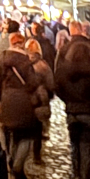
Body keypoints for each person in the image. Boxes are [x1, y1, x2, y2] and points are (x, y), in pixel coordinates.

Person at [54, 21, 90, 179]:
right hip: (89, 110)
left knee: (75, 144)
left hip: (72, 110)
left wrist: (68, 101)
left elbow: (57, 84)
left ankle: (75, 173)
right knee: (87, 147)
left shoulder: (63, 56)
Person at [0, 32, 41, 179]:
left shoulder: (2, 59)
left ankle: (11, 158)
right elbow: (33, 83)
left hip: (7, 100)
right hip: (23, 101)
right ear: (21, 43)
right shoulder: (25, 60)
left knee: (14, 133)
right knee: (27, 135)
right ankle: (17, 166)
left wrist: (2, 97)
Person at [25, 37, 54, 165]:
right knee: (37, 128)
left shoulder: (22, 64)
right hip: (40, 100)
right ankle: (36, 155)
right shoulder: (43, 66)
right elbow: (51, 84)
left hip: (25, 100)